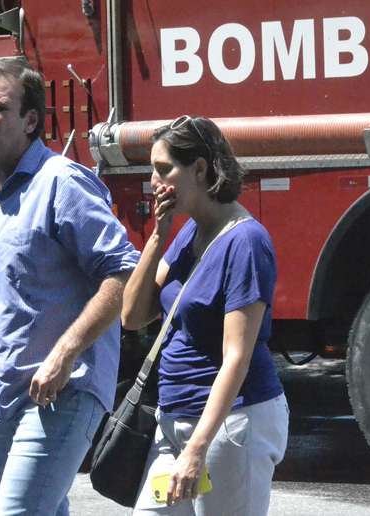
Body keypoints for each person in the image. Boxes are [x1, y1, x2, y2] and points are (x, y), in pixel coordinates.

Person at [0, 58, 139, 516]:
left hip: (64, 389)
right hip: (4, 394)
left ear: (31, 120)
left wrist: (65, 353)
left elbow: (123, 273)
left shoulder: (63, 183)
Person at [122, 116, 289, 516]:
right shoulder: (188, 233)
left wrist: (198, 447)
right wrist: (158, 235)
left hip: (229, 428)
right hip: (172, 423)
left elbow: (237, 356)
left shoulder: (246, 241)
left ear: (199, 168)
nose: (154, 181)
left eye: (164, 170)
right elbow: (132, 315)